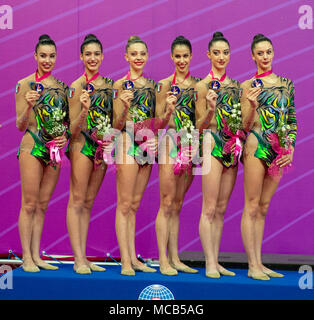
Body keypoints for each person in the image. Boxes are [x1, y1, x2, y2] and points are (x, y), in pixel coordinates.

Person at [240, 34, 297, 280]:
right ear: (253, 56)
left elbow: (291, 118)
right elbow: (242, 125)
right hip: (255, 145)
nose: (265, 57)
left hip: (279, 150)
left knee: (263, 207)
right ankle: (252, 265)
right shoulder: (247, 86)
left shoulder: (286, 84)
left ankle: (260, 262)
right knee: (251, 205)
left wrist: (290, 146)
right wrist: (252, 106)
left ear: (273, 53)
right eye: (260, 53)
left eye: (268, 52)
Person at [15, 34, 69, 272]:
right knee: (29, 203)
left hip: (54, 151)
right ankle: (26, 257)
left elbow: (65, 123)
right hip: (32, 145)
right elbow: (19, 124)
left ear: (56, 58)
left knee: (42, 205)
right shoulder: (25, 84)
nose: (47, 60)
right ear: (35, 56)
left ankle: (37, 255)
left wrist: (65, 136)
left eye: (51, 56)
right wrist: (28, 104)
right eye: (43, 56)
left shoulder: (62, 88)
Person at [196, 32, 243, 278]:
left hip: (230, 148)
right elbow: (197, 126)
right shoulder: (202, 85)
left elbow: (240, 121)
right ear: (208, 55)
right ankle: (209, 263)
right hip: (210, 144)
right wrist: (211, 110)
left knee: (222, 208)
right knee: (209, 208)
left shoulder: (235, 86)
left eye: (225, 52)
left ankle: (216, 259)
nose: (221, 57)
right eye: (216, 52)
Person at [66, 34, 114, 274]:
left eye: (97, 54)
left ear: (102, 56)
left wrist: (110, 140)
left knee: (87, 202)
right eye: (88, 54)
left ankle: (84, 256)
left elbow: (114, 122)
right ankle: (77, 259)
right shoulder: (75, 87)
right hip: (81, 146)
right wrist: (84, 111)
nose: (93, 58)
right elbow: (72, 130)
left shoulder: (109, 86)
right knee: (77, 199)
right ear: (81, 57)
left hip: (101, 149)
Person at [155, 36, 200, 276]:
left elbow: (202, 120)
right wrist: (168, 112)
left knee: (178, 204)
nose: (181, 60)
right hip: (170, 144)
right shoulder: (162, 86)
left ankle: (175, 257)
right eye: (177, 56)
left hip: (191, 146)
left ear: (191, 57)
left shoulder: (199, 85)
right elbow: (156, 124)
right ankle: (163, 259)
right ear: (172, 57)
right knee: (166, 202)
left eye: (185, 56)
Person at [113, 36, 157, 276]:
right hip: (127, 142)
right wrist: (125, 107)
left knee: (135, 205)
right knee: (124, 203)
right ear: (126, 57)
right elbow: (115, 123)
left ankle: (133, 257)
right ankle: (125, 261)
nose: (138, 57)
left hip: (147, 146)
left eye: (142, 53)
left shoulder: (152, 86)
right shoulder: (119, 85)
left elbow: (158, 118)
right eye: (134, 54)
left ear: (147, 56)